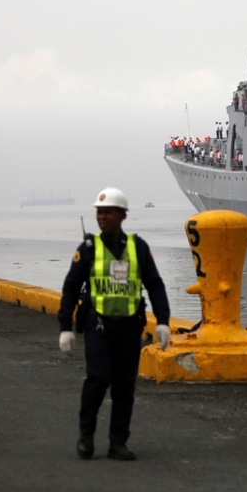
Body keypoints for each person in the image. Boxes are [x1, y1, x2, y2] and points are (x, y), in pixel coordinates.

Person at [58, 187, 171, 461]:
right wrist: (65, 327)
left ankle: (117, 442)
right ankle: (86, 435)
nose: (102, 217)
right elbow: (71, 287)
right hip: (98, 326)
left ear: (123, 215)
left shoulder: (138, 247)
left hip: (130, 327)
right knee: (98, 379)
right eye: (99, 212)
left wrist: (163, 322)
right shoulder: (88, 250)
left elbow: (154, 284)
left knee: (124, 386)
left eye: (108, 212)